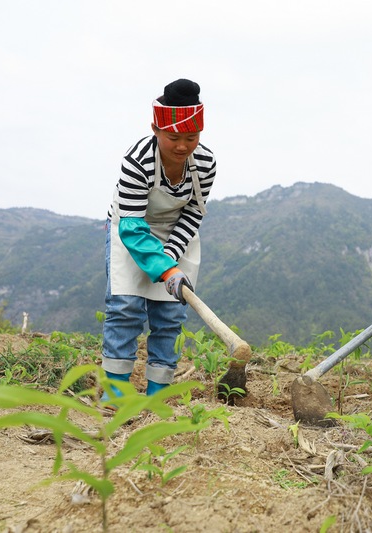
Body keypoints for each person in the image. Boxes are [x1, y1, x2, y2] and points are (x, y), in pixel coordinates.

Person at [101, 78, 216, 400]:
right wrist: (164, 268)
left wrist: (171, 256)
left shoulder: (205, 163)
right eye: (173, 137)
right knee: (125, 306)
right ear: (156, 129)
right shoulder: (138, 160)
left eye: (191, 138)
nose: (182, 146)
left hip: (177, 231)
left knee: (169, 314)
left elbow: (194, 213)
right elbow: (133, 226)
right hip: (131, 228)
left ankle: (158, 390)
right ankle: (116, 390)